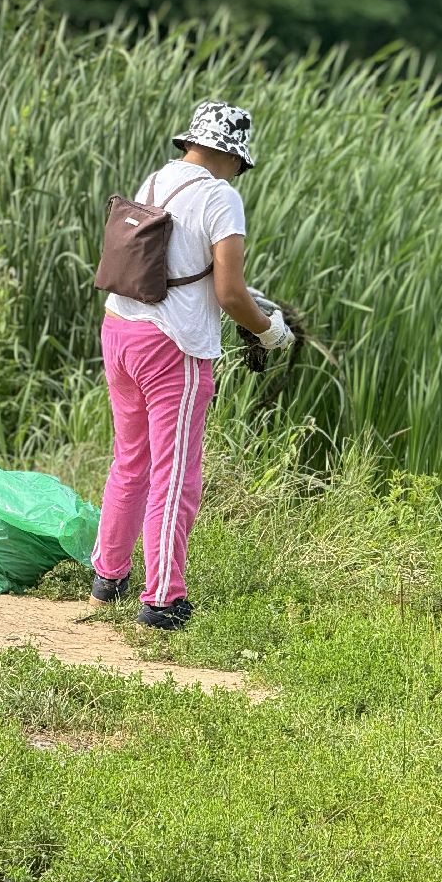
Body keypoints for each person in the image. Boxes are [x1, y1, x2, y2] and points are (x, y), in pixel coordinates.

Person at [89, 100, 294, 630]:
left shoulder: (156, 179)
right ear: (230, 156)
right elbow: (229, 294)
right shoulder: (222, 197)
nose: (238, 172)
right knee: (176, 474)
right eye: (240, 163)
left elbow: (173, 261)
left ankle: (108, 576)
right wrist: (269, 330)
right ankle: (162, 601)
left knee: (130, 460)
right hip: (171, 347)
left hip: (119, 331)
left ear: (191, 144)